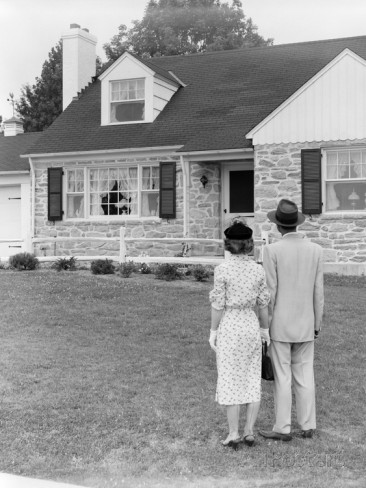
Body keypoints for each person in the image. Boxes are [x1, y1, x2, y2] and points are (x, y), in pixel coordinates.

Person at [259, 199, 324, 442]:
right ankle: (308, 425)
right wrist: (317, 324)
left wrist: (265, 325)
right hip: (307, 323)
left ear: (278, 226)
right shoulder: (316, 250)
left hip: (280, 325)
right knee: (305, 374)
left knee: (283, 377)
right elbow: (318, 292)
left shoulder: (272, 251)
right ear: (296, 224)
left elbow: (270, 293)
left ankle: (283, 427)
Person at [209, 222, 270, 448]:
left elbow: (218, 304)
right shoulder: (257, 270)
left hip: (231, 325)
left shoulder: (222, 270)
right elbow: (263, 304)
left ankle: (234, 432)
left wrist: (213, 332)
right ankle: (249, 431)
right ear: (249, 244)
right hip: (250, 325)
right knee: (251, 377)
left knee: (229, 377)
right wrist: (264, 330)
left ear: (228, 244)